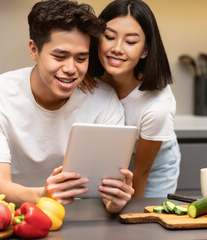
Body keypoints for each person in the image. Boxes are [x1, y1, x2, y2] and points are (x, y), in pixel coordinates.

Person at [0, 0, 134, 213]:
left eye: (81, 58)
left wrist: (114, 202)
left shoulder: (105, 101)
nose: (71, 69)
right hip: (0, 208)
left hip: (70, 209)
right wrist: (43, 196)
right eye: (59, 57)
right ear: (33, 50)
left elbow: (106, 188)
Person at [80, 0, 181, 198]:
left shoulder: (157, 106)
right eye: (109, 37)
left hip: (150, 167)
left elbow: (140, 173)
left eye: (131, 42)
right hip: (108, 158)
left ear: (145, 50)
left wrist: (131, 215)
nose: (117, 48)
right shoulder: (86, 77)